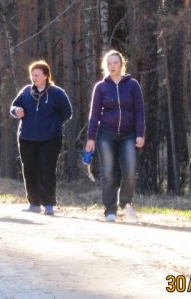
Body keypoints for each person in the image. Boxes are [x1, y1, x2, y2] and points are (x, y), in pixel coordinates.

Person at [84, 49, 145, 222]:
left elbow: (140, 112)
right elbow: (94, 114)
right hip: (106, 135)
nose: (112, 66)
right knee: (108, 173)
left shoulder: (132, 85)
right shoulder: (101, 87)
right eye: (109, 63)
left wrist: (140, 134)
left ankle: (125, 203)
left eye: (115, 63)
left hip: (129, 135)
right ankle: (109, 210)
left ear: (121, 64)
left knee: (130, 171)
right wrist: (90, 138)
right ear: (105, 66)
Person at [10, 60, 72, 216]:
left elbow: (67, 112)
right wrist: (16, 110)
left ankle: (49, 204)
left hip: (51, 138)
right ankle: (34, 203)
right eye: (32, 75)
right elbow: (13, 107)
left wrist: (53, 125)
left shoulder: (57, 93)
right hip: (26, 137)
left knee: (47, 169)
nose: (34, 78)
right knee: (29, 170)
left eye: (37, 75)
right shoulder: (25, 92)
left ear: (45, 76)